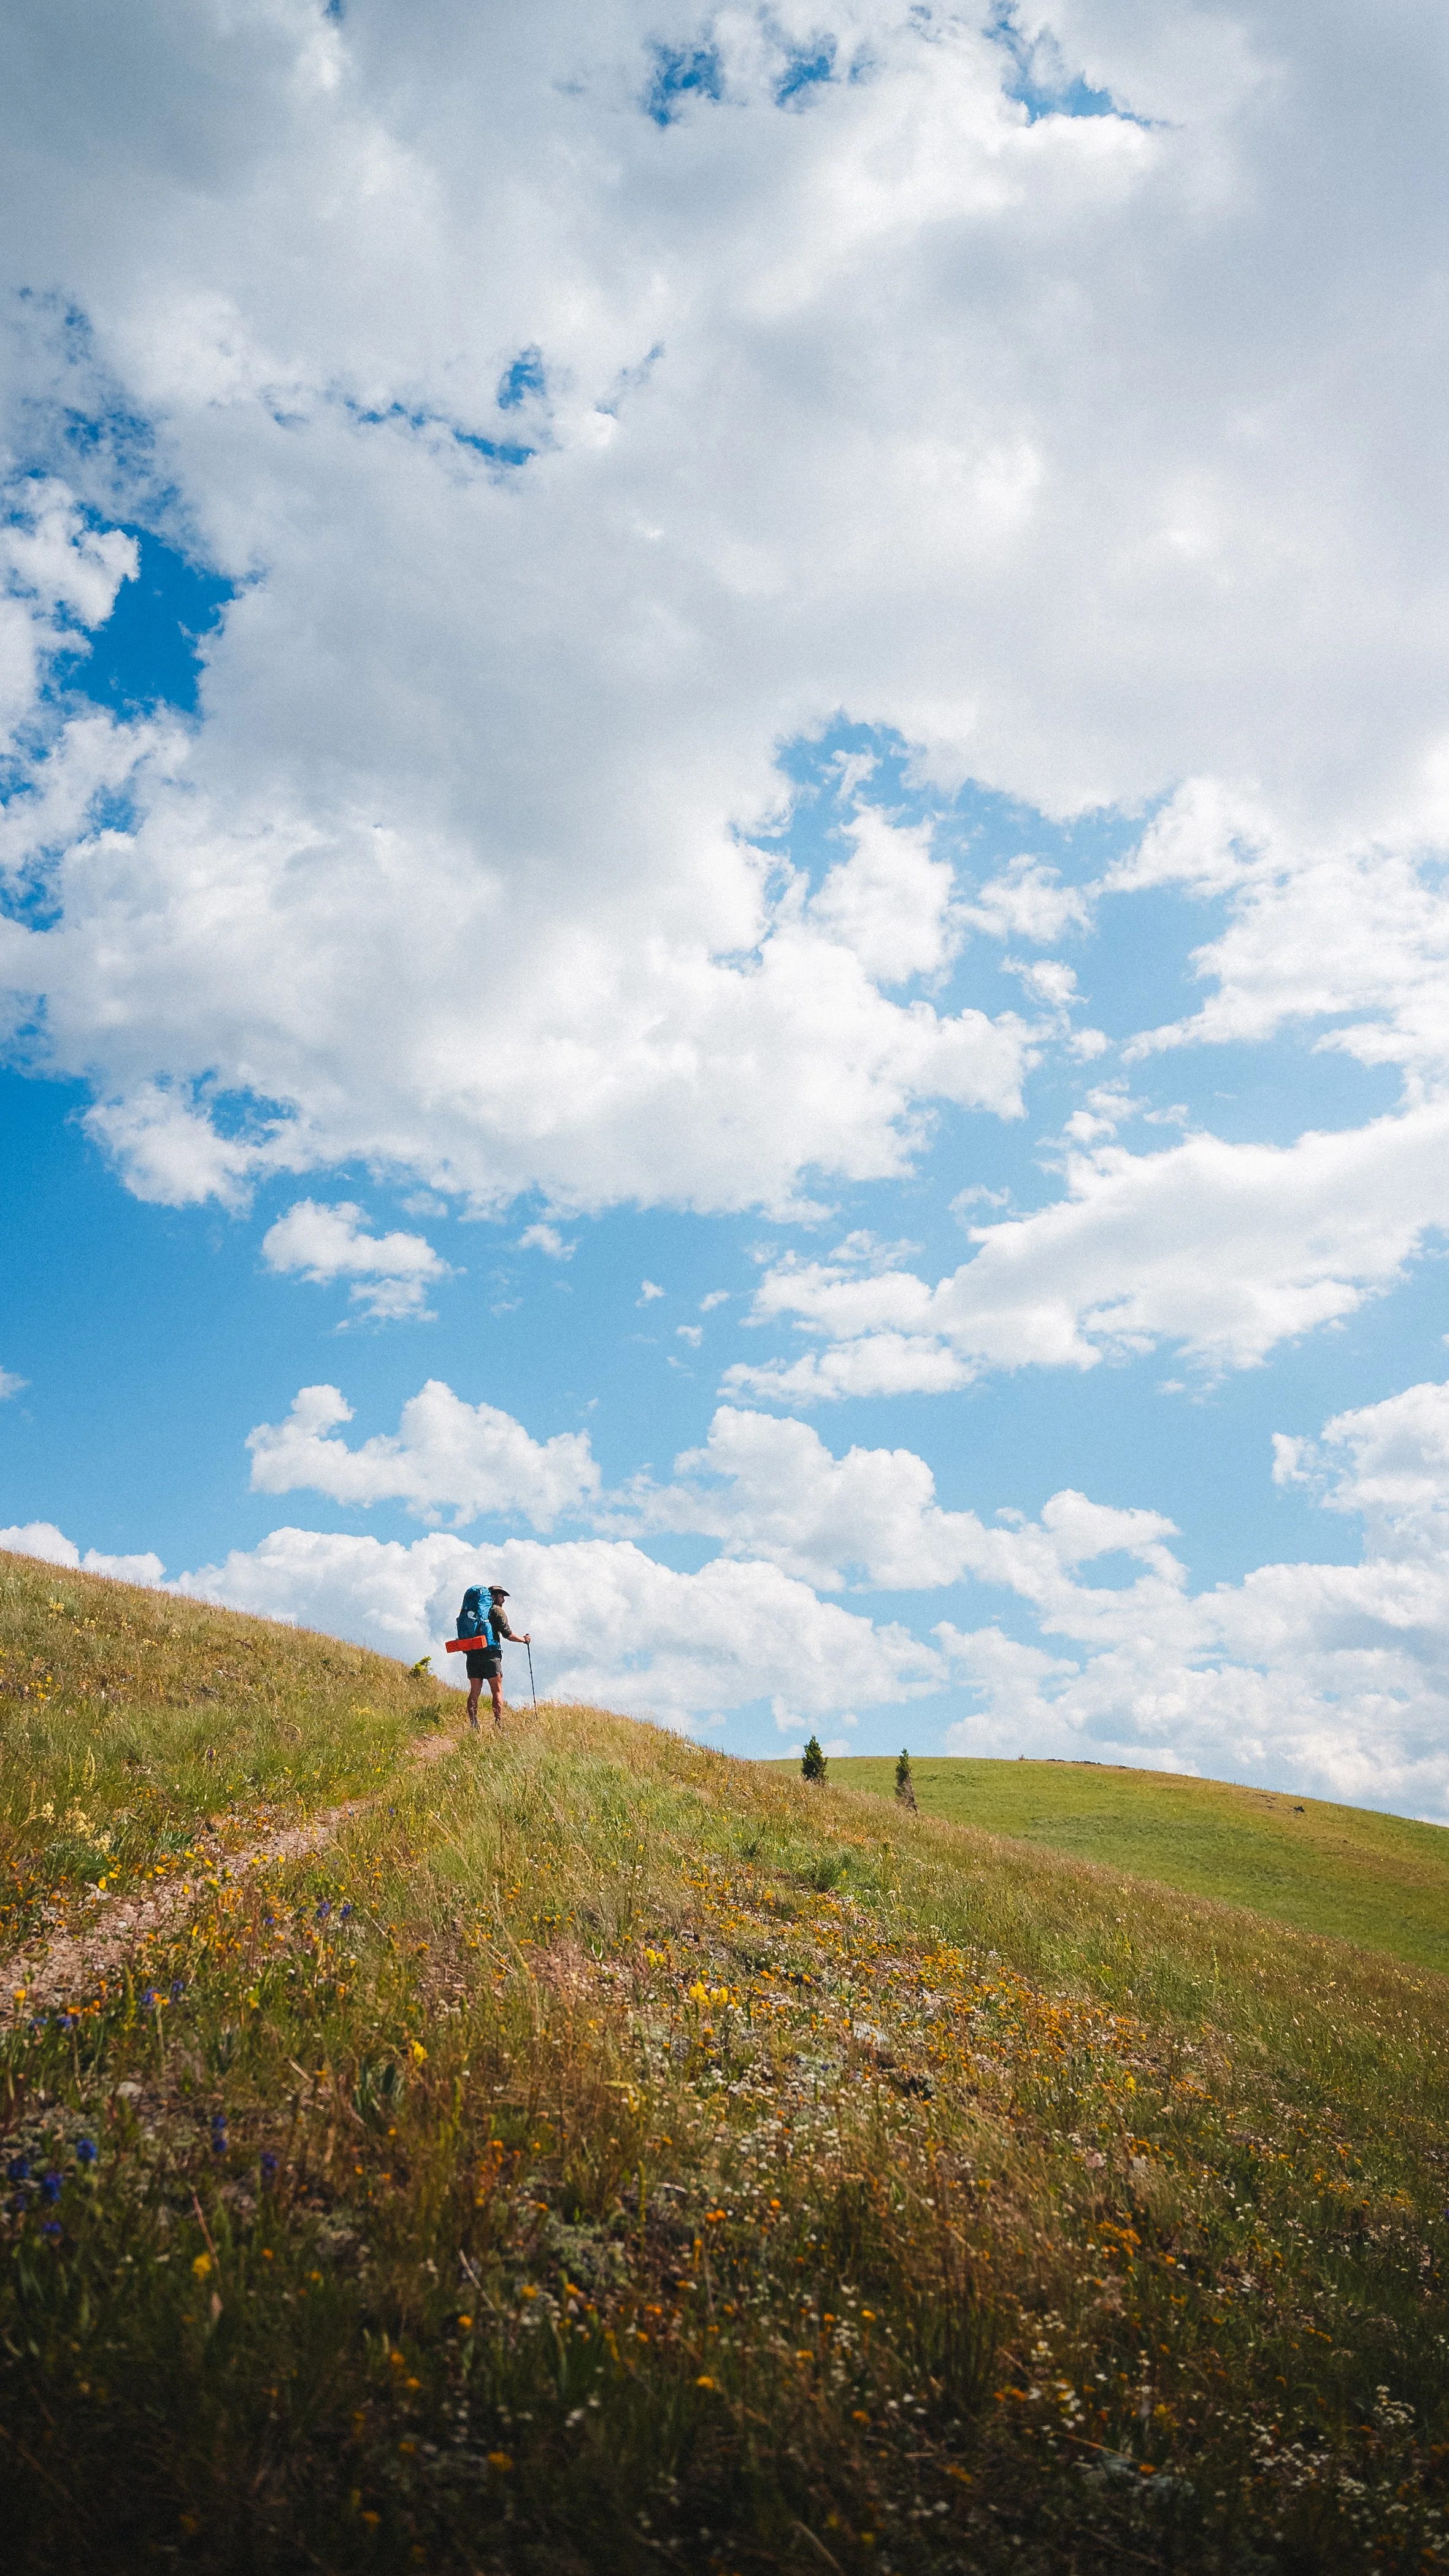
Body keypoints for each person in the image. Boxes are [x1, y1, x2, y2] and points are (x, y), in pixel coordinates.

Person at [459, 1583, 531, 1731]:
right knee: (497, 1690)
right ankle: (499, 1724)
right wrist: (524, 1640)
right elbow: (508, 1635)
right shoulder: (497, 1611)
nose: (503, 1600)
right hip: (491, 1655)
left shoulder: (473, 1611)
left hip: (472, 1654)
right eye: (501, 1596)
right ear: (494, 1596)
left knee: (474, 1691)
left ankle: (474, 1723)